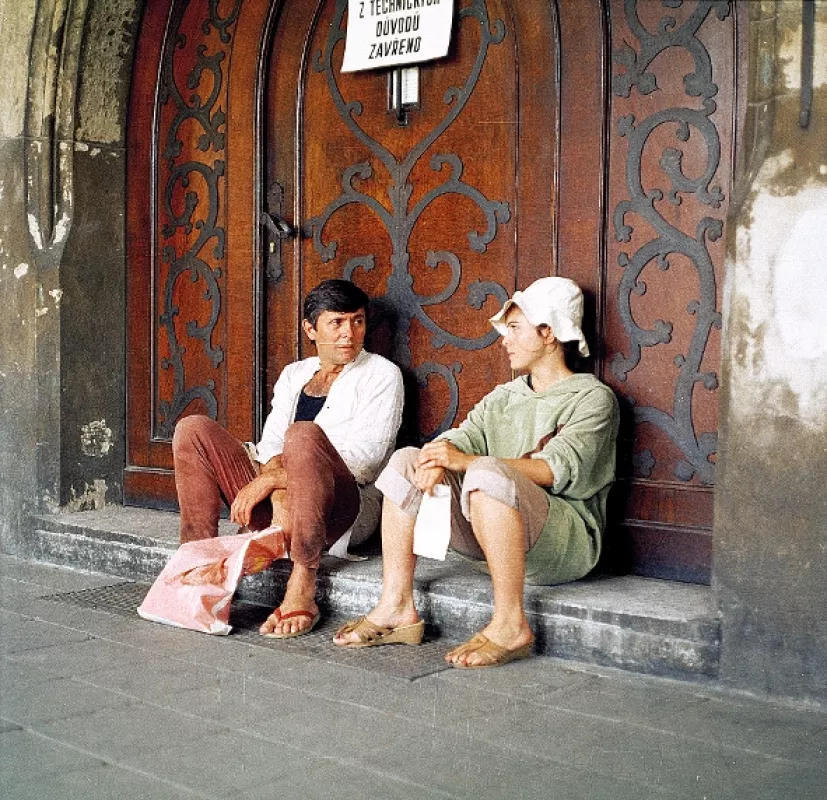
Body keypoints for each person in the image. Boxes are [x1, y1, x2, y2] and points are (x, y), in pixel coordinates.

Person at [333, 277, 619, 668]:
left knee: (485, 471)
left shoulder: (592, 398)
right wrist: (436, 458)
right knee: (407, 460)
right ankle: (397, 606)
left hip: (562, 546)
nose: (505, 340)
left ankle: (510, 624)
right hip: (492, 538)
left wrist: (465, 462)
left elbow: (556, 469)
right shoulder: (505, 396)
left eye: (515, 329)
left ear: (549, 333)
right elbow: (460, 438)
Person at [172, 279, 404, 638]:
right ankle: (197, 565)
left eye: (357, 321)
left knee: (303, 434)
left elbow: (367, 461)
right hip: (278, 506)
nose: (349, 334)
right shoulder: (295, 373)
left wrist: (271, 480)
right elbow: (268, 447)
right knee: (193, 429)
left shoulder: (382, 374)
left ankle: (302, 584)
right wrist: (278, 492)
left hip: (341, 508)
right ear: (311, 329)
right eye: (337, 323)